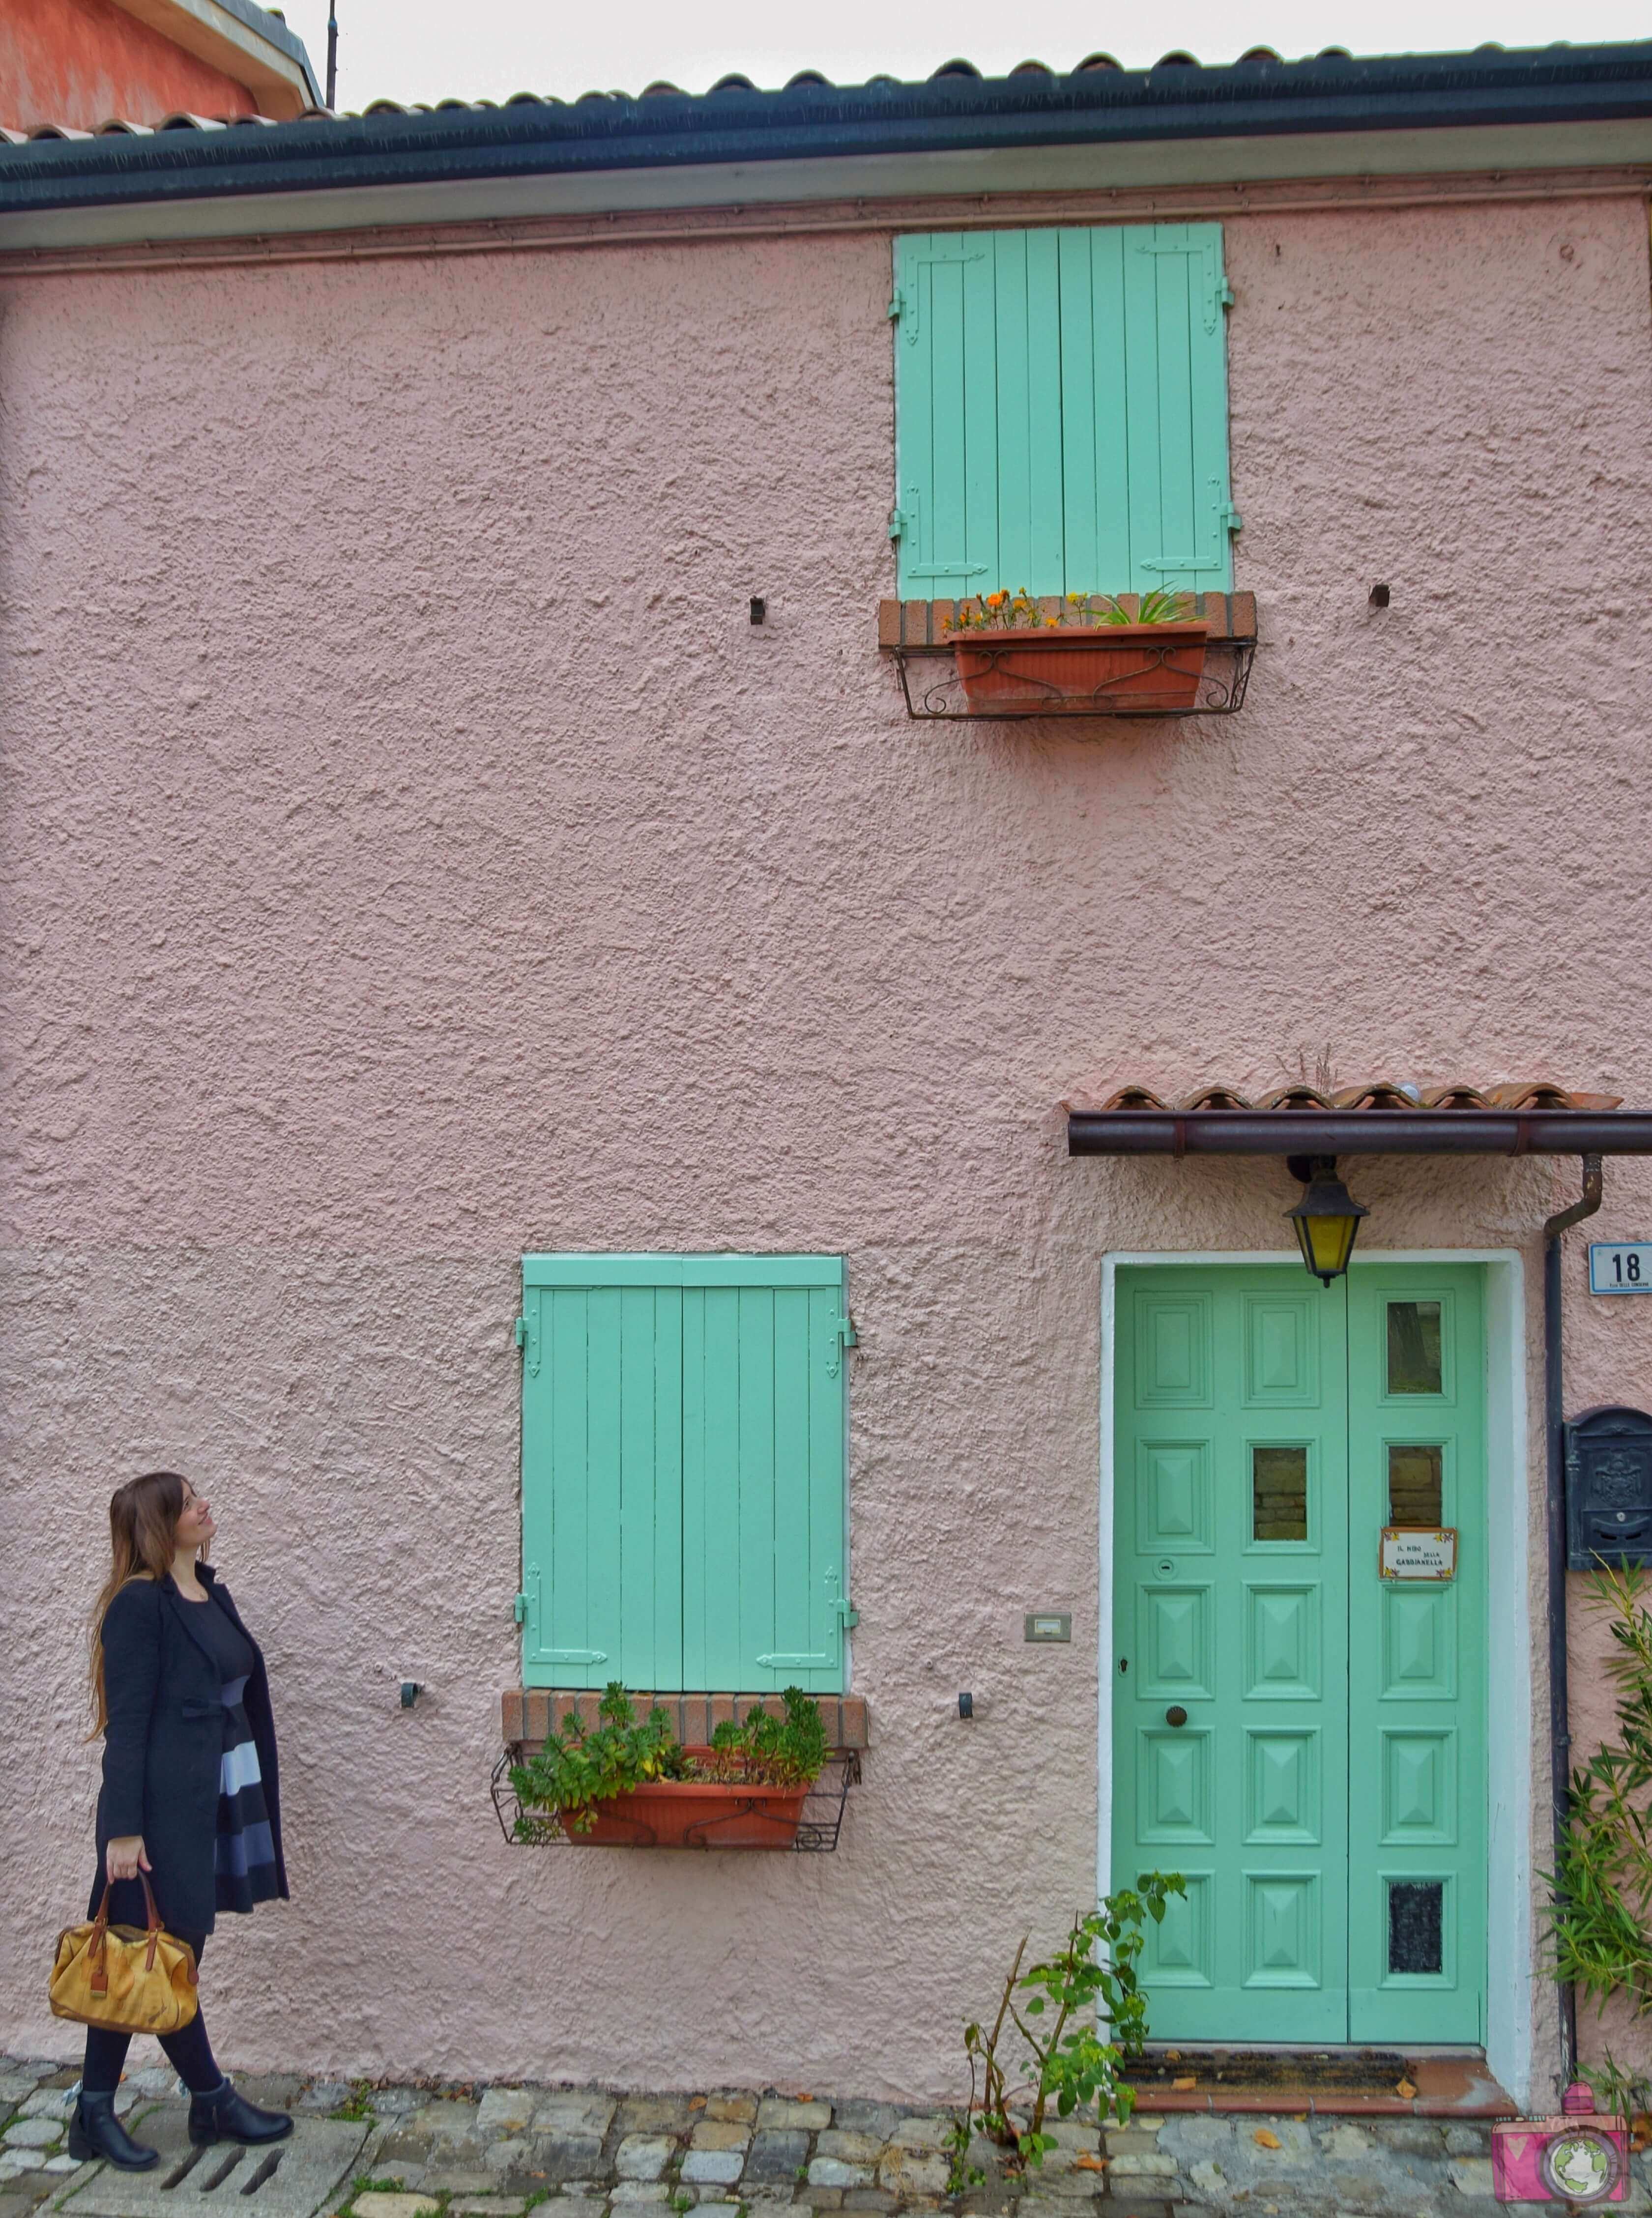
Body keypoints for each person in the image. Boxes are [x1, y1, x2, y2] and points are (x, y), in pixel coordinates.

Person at [70, 1471, 294, 2170]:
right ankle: (195, 2099)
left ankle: (153, 2104)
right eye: (188, 1500)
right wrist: (122, 1830)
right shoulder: (139, 1606)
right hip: (164, 1808)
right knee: (149, 1950)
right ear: (161, 1526)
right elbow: (128, 1725)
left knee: (165, 1951)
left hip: (218, 1797)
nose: (205, 1503)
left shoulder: (209, 1591)